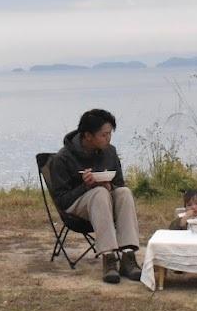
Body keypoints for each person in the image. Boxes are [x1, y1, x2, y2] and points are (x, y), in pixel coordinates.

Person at [47, 109, 142, 283]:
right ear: (88, 136)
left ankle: (128, 256)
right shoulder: (63, 158)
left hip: (104, 204)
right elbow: (62, 200)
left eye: (109, 134)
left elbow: (119, 184)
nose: (108, 139)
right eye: (104, 135)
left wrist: (109, 185)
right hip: (75, 207)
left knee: (124, 192)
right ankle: (109, 258)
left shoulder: (110, 152)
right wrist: (86, 185)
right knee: (99, 193)